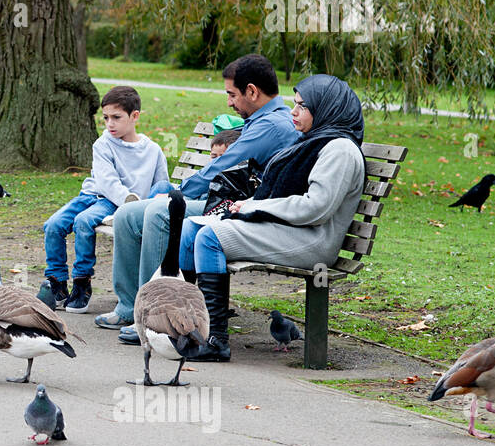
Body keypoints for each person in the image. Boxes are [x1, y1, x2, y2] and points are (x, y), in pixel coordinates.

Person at [96, 54, 300, 344]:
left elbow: (224, 164)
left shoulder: (271, 125)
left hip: (240, 207)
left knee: (159, 212)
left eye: (232, 94)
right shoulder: (262, 119)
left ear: (252, 91)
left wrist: (178, 191)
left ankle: (153, 315)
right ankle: (129, 306)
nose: (229, 102)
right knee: (129, 216)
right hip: (225, 197)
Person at [178, 74, 366, 362]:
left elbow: (315, 208)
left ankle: (215, 340)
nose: (293, 112)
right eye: (295, 104)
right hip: (292, 229)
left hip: (313, 242)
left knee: (210, 237)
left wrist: (256, 209)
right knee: (192, 228)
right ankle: (188, 327)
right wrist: (248, 203)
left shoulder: (339, 149)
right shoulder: (316, 141)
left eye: (302, 106)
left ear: (327, 108)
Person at [42, 85, 169, 313]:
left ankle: (82, 283)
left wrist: (136, 207)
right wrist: (127, 200)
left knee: (83, 223)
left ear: (135, 116)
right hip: (93, 195)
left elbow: (161, 185)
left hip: (116, 204)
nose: (110, 124)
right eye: (106, 118)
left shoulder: (153, 151)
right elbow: (106, 181)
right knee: (52, 225)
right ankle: (57, 284)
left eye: (116, 118)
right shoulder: (103, 144)